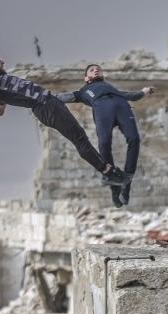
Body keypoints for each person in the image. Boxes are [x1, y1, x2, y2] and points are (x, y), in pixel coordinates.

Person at [0, 47, 131, 187]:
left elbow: (0, 104)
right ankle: (109, 173)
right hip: (45, 106)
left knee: (80, 137)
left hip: (50, 103)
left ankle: (108, 171)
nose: (2, 61)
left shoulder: (1, 81)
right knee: (80, 139)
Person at [57, 64, 155, 207]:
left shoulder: (112, 88)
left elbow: (130, 96)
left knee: (134, 139)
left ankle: (127, 181)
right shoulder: (83, 91)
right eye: (92, 70)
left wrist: (144, 91)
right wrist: (44, 96)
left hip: (122, 107)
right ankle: (115, 189)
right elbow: (63, 97)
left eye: (98, 69)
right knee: (104, 143)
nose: (96, 70)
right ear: (86, 78)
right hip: (102, 109)